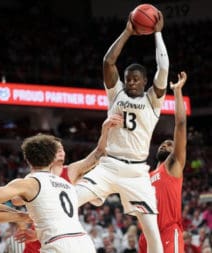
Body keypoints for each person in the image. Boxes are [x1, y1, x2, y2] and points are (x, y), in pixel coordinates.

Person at [75, 10, 169, 253]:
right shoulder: (116, 93)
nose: (131, 83)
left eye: (136, 79)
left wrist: (157, 33)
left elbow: (164, 67)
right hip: (109, 165)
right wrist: (128, 31)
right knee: (69, 199)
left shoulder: (153, 100)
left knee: (154, 238)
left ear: (145, 81)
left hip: (137, 172)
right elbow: (108, 62)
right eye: (128, 79)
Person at [13, 115, 123, 253]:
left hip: (62, 236)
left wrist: (105, 129)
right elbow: (16, 201)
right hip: (37, 236)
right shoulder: (34, 177)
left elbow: (98, 153)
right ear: (47, 153)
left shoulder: (70, 171)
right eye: (57, 149)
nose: (61, 151)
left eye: (62, 149)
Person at [0, 134, 98, 253]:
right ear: (52, 158)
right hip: (84, 243)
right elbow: (60, 219)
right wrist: (38, 234)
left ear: (27, 159)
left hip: (57, 245)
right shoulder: (67, 185)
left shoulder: (28, 183)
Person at [138, 71, 187, 252]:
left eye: (170, 144)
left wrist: (177, 91)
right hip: (147, 236)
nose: (165, 144)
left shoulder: (173, 166)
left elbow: (180, 124)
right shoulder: (146, 175)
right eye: (164, 143)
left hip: (167, 232)